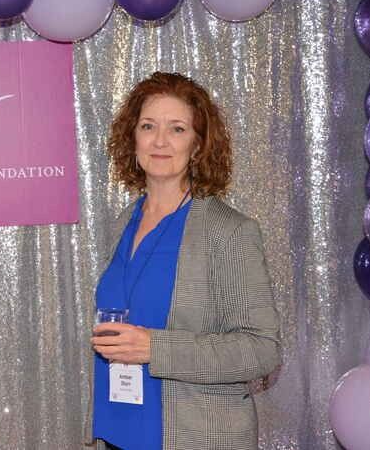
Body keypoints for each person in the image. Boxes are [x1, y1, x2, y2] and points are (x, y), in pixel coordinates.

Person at [86, 72, 281, 450]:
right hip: (118, 431)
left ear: (197, 145)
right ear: (133, 138)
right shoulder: (122, 223)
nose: (160, 141)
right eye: (148, 126)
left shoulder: (230, 231)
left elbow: (262, 350)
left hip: (194, 437)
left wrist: (155, 349)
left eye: (177, 129)